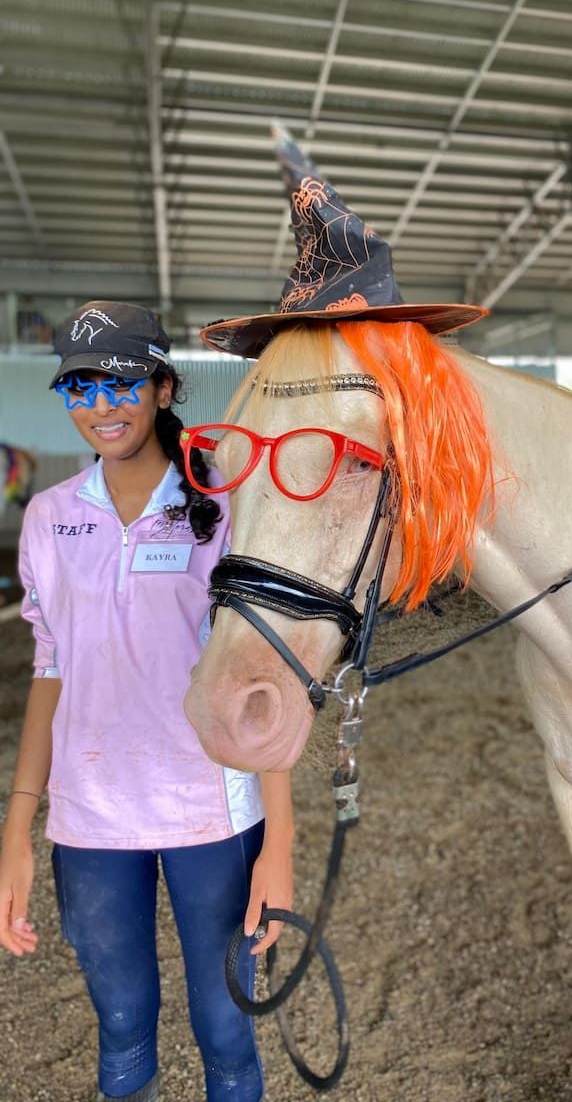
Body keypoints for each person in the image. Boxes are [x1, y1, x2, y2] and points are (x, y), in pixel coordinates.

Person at [0, 301, 294, 1102]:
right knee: (123, 1025)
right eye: (82, 388)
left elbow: (261, 677)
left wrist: (281, 845)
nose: (103, 406)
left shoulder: (223, 508)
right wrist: (18, 827)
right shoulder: (50, 516)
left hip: (214, 814)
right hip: (90, 819)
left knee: (225, 1026)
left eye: (123, 384)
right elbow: (49, 672)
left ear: (165, 389)